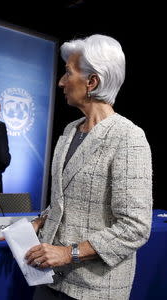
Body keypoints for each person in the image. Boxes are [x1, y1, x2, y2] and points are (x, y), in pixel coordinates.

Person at [24, 34, 152, 299]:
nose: (61, 82)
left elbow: (135, 227)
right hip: (49, 280)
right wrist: (39, 221)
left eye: (67, 73)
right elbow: (64, 198)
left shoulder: (128, 137)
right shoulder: (70, 130)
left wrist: (68, 253)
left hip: (94, 288)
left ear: (92, 81)